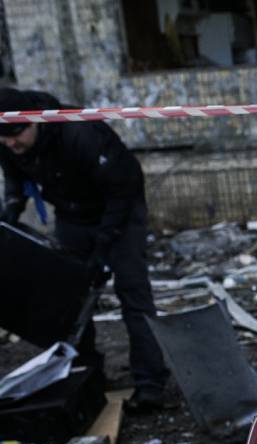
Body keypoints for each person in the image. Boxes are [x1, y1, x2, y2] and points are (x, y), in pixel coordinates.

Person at [0, 87, 168, 411]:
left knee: (133, 293)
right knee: (70, 297)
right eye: (4, 141)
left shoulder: (79, 131)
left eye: (16, 136)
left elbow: (125, 183)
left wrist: (106, 244)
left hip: (119, 208)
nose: (11, 145)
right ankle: (87, 376)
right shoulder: (10, 142)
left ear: (35, 121)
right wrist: (11, 209)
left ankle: (150, 384)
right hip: (71, 214)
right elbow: (15, 177)